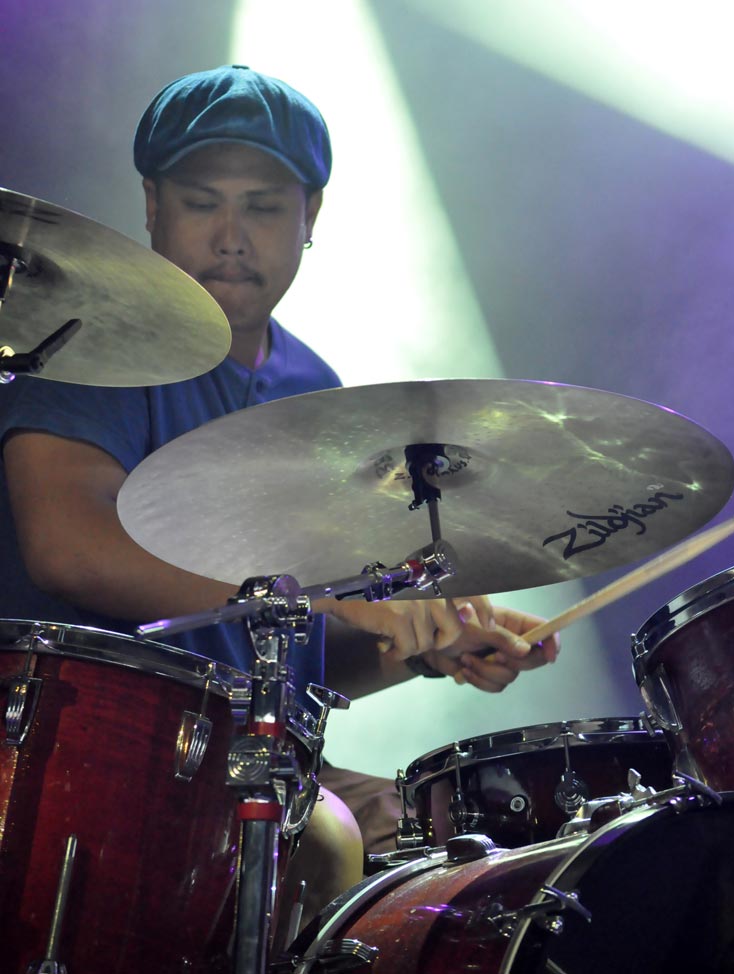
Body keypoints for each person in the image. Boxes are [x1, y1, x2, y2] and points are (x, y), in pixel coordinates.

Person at [0, 65, 559, 937]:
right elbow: (67, 548)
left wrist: (424, 644)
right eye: (201, 202)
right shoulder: (89, 346)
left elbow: (292, 661)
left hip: (264, 763)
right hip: (91, 755)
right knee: (329, 839)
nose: (231, 237)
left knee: (469, 864)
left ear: (312, 216)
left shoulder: (314, 392)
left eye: (263, 207)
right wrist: (338, 596)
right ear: (151, 205)